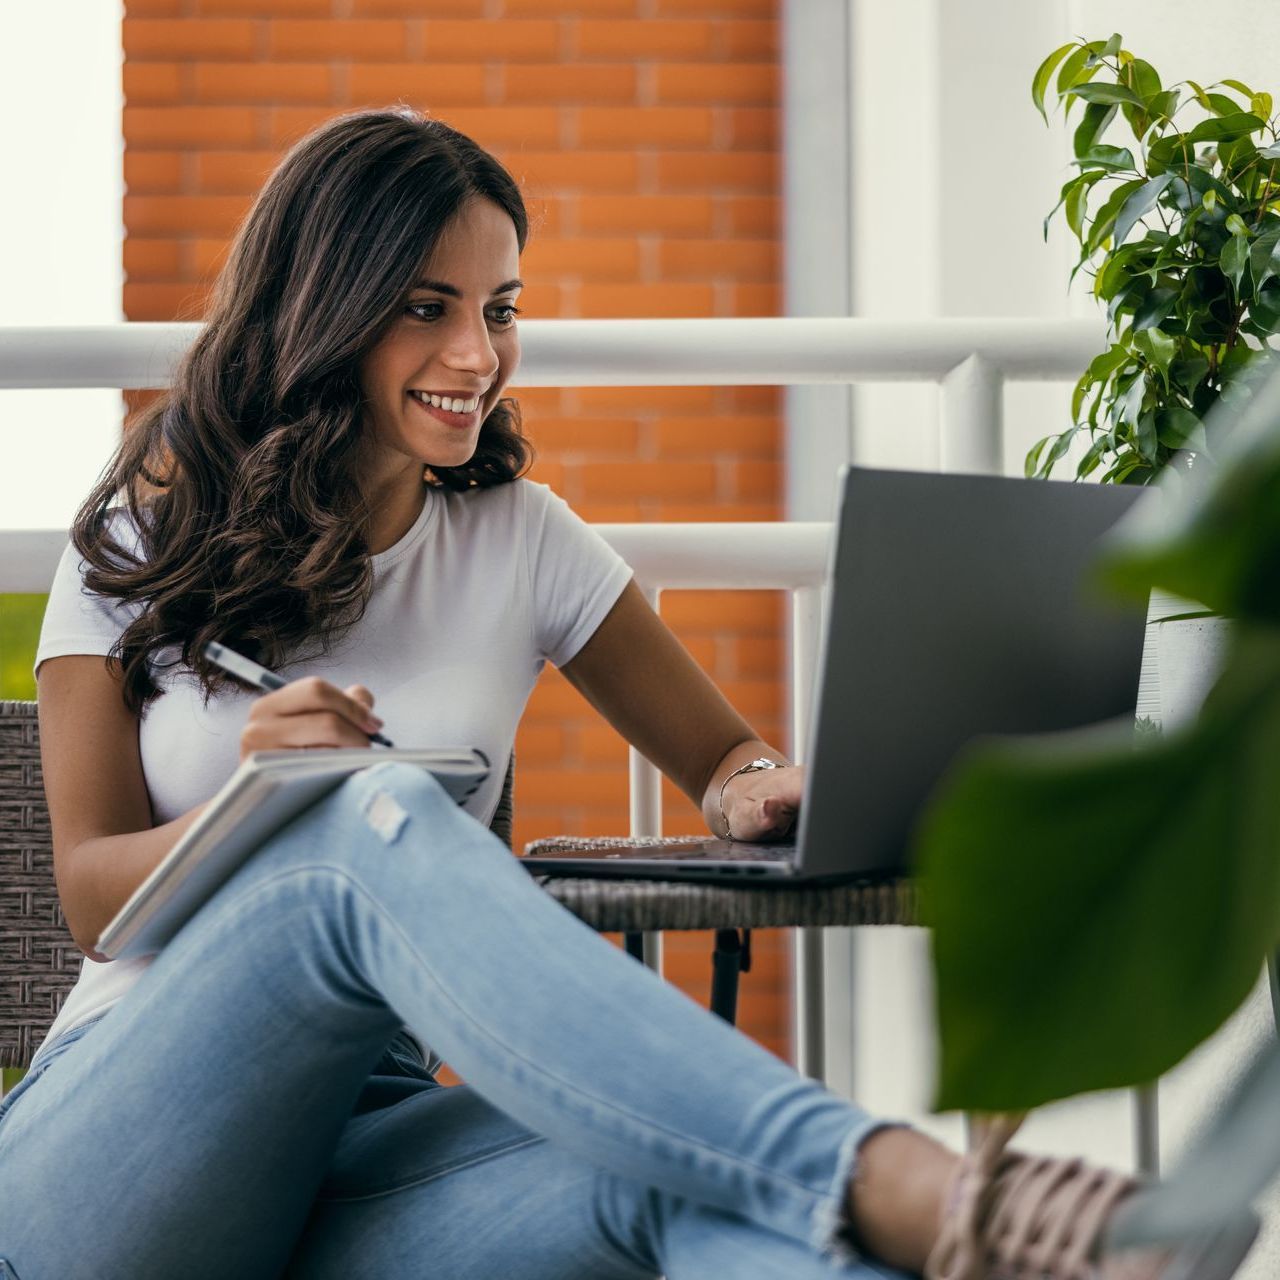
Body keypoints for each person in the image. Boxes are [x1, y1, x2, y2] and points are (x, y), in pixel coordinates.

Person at [0, 109, 1256, 1280]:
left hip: (362, 1144)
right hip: (113, 1156)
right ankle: (921, 1182)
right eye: (425, 307)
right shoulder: (141, 528)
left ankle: (962, 1231)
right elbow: (96, 894)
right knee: (353, 817)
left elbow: (721, 756)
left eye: (499, 308)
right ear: (324, 307)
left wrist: (757, 785)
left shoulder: (519, 538)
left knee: (697, 1194)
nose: (474, 355)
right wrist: (266, 803)